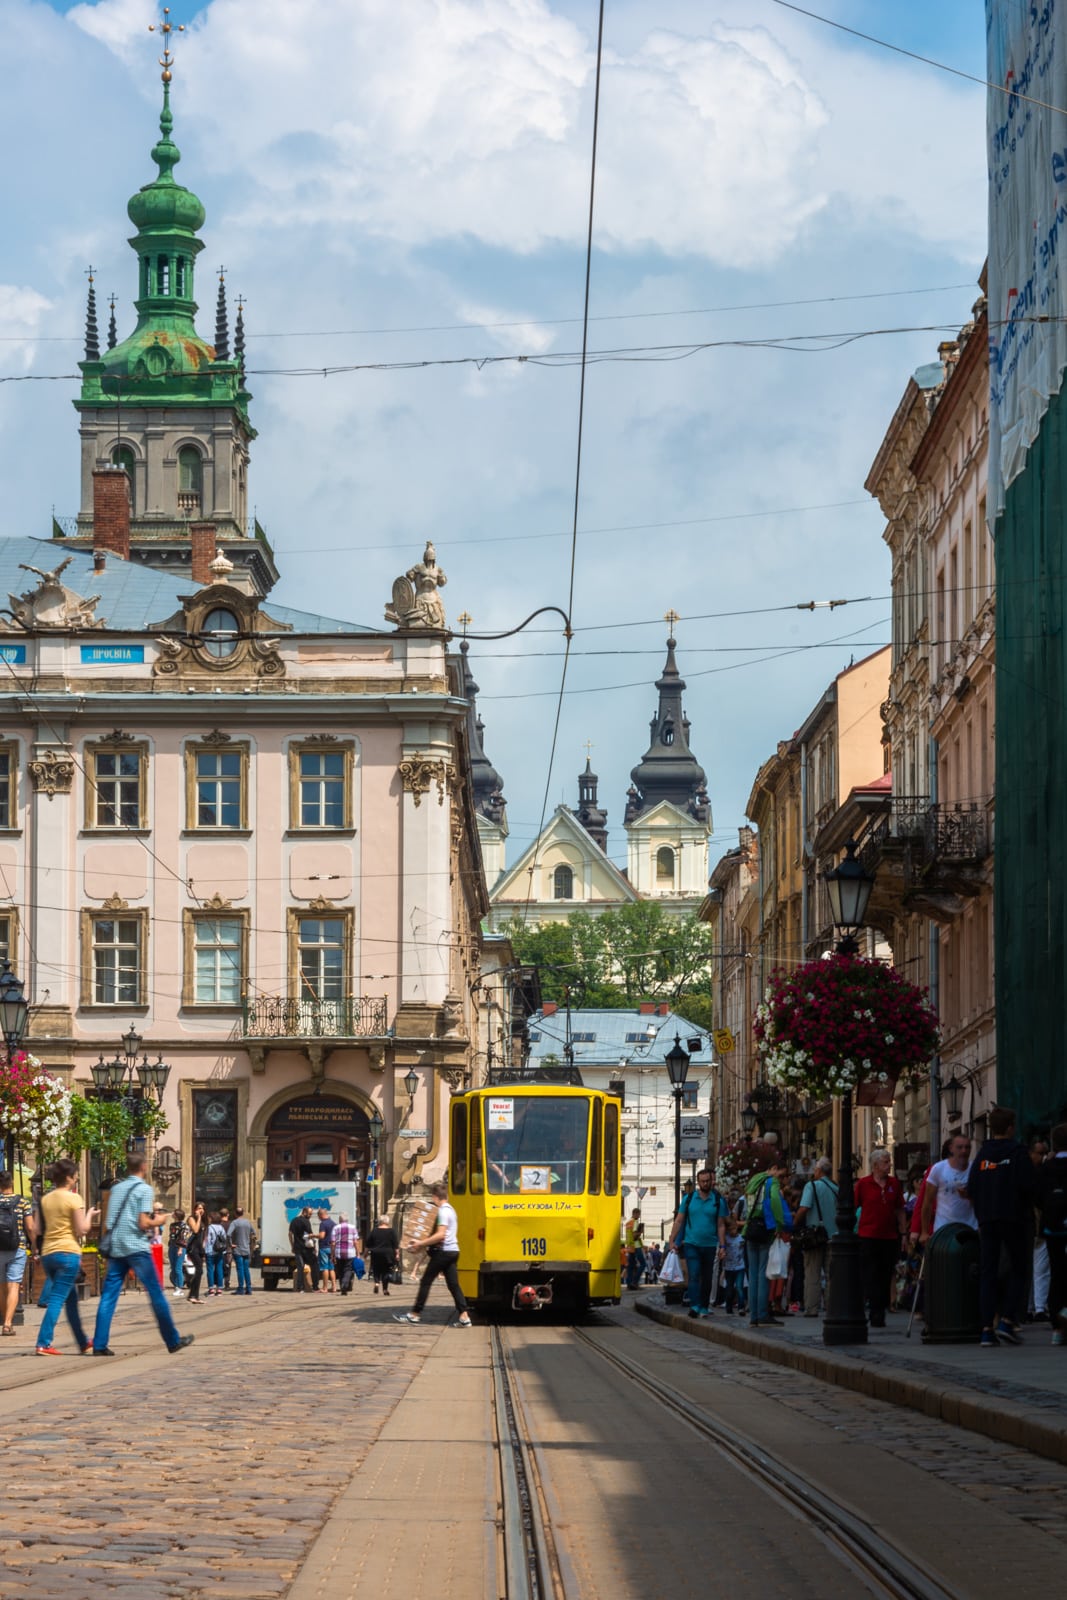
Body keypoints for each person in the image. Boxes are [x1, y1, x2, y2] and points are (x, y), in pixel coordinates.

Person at [92, 1154, 194, 1357]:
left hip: (116, 1247)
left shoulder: (117, 1188)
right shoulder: (144, 1189)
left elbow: (109, 1221)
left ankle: (99, 1343)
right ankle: (172, 1340)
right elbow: (143, 1223)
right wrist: (160, 1220)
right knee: (156, 1293)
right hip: (136, 1248)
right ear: (144, 1167)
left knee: (109, 1296)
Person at [968, 1106, 1037, 1347]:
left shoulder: (982, 1155)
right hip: (1014, 1218)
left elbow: (972, 1186)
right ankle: (1007, 1319)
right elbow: (1029, 1185)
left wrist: (981, 1211)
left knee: (988, 1272)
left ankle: (986, 1328)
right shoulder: (1017, 1152)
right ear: (1010, 1128)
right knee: (1019, 1268)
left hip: (987, 1219)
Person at [35, 1158, 98, 1355]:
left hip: (48, 1254)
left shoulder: (45, 1199)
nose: (77, 1178)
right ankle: (43, 1343)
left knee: (70, 1299)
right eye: (76, 1175)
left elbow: (36, 1229)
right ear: (69, 1178)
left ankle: (83, 1342)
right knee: (57, 1299)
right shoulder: (73, 1198)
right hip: (67, 1253)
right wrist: (89, 1215)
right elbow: (82, 1230)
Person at [393, 1181, 472, 1326]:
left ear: (435, 1197)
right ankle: (464, 1316)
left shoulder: (442, 1211)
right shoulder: (451, 1210)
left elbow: (441, 1234)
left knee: (425, 1281)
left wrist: (421, 1243)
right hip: (453, 1250)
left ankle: (415, 1314)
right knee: (453, 1284)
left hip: (443, 1252)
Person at [855, 1148, 907, 1328]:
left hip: (889, 1236)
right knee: (870, 1274)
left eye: (889, 1161)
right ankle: (874, 1309)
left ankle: (880, 1309)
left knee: (885, 1275)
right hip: (868, 1236)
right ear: (876, 1165)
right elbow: (853, 1207)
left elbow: (900, 1209)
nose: (889, 1164)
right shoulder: (863, 1184)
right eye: (886, 1162)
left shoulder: (894, 1184)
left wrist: (904, 1232)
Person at [667, 1168, 727, 1319]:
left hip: (709, 1244)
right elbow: (679, 1220)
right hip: (691, 1243)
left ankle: (704, 1306)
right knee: (694, 1274)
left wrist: (722, 1245)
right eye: (702, 1181)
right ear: (698, 1182)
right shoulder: (689, 1199)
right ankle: (694, 1305)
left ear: (711, 1181)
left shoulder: (718, 1200)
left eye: (708, 1181)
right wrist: (672, 1239)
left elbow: (721, 1225)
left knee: (707, 1277)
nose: (705, 1184)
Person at [743, 1159, 792, 1328]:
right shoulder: (772, 1182)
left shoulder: (754, 1181)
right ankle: (763, 1314)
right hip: (765, 1229)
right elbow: (776, 1203)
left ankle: (753, 1315)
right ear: (774, 1168)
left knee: (753, 1274)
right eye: (782, 1174)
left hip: (751, 1229)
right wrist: (779, 1224)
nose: (782, 1177)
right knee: (763, 1273)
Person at [794, 1156, 838, 1317]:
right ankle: (831, 1306)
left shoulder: (811, 1186)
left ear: (818, 1171)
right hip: (833, 1235)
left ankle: (811, 1308)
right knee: (831, 1273)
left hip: (814, 1235)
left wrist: (794, 1222)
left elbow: (804, 1208)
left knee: (812, 1273)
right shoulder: (836, 1187)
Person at [1037, 1123, 1067, 1347]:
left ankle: (1057, 1326)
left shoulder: (1046, 1168)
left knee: (1056, 1273)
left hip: (1052, 1228)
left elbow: (1037, 1196)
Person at [0, 1169, 36, 1338]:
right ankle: (8, 1324)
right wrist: (34, 1245)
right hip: (17, 1247)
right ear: (12, 1183)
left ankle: (4, 1319)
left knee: (1, 1287)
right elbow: (30, 1227)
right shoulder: (22, 1202)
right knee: (13, 1285)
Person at [919, 1134, 975, 1240]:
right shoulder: (938, 1169)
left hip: (970, 1229)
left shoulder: (975, 1169)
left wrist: (969, 1195)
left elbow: (983, 1201)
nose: (964, 1151)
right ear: (951, 1149)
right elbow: (927, 1203)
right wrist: (924, 1232)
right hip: (944, 1229)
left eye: (967, 1147)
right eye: (960, 1147)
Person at [1029, 1135, 1051, 1321]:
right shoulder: (1037, 1173)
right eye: (1040, 1153)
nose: (1043, 1157)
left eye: (1045, 1153)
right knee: (1040, 1268)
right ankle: (1038, 1306)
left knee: (1037, 1268)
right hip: (1035, 1227)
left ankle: (1034, 1306)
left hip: (1036, 1227)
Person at [366, 1214, 399, 1296]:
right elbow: (395, 1245)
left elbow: (368, 1243)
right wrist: (397, 1254)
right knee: (386, 1271)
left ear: (380, 1222)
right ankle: (385, 1289)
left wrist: (365, 1254)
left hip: (376, 1253)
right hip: (388, 1254)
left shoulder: (374, 1231)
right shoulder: (392, 1231)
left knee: (376, 1269)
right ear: (387, 1222)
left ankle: (377, 1283)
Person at [226, 1205, 255, 1295]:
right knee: (246, 1269)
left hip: (238, 1249)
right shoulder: (248, 1222)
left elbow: (228, 1234)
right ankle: (249, 1288)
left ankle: (240, 1288)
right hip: (246, 1249)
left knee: (240, 1269)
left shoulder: (234, 1223)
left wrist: (231, 1244)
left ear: (235, 1214)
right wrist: (250, 1243)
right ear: (243, 1213)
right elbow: (253, 1233)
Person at [289, 1205, 319, 1292]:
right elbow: (311, 1235)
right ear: (304, 1212)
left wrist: (292, 1246)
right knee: (314, 1265)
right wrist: (315, 1246)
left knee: (300, 1267)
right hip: (307, 1249)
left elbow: (290, 1234)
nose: (310, 1216)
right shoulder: (306, 1222)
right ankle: (315, 1286)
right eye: (309, 1214)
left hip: (297, 1248)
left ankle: (300, 1287)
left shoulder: (294, 1221)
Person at [721, 1216, 747, 1315]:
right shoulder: (725, 1240)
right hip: (729, 1268)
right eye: (730, 1229)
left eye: (734, 1228)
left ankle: (741, 1307)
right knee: (729, 1288)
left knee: (739, 1287)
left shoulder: (741, 1239)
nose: (733, 1231)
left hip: (740, 1267)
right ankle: (729, 1306)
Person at [331, 1213, 360, 1293]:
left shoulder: (335, 1228)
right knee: (348, 1269)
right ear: (347, 1220)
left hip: (339, 1252)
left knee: (340, 1270)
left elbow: (333, 1243)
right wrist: (358, 1253)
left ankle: (342, 1287)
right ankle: (345, 1284)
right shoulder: (353, 1227)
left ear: (340, 1220)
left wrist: (332, 1255)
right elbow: (355, 1242)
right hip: (350, 1253)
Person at [184, 1201, 206, 1304]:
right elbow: (196, 1230)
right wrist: (199, 1218)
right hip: (193, 1249)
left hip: (199, 1248)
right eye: (198, 1208)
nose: (200, 1210)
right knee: (199, 1271)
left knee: (199, 1271)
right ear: (194, 1209)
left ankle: (194, 1295)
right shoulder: (191, 1219)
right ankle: (193, 1295)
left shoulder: (202, 1221)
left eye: (202, 1208)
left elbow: (203, 1235)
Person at [205, 1212, 228, 1297]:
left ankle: (211, 1289)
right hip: (220, 1251)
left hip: (210, 1251)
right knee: (219, 1269)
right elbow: (224, 1239)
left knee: (210, 1270)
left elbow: (208, 1240)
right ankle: (219, 1289)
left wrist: (205, 1251)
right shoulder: (221, 1227)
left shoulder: (210, 1227)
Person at [167, 1208, 188, 1297]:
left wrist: (180, 1249)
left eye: (174, 1213)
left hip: (179, 1248)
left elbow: (183, 1238)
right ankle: (176, 1286)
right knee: (173, 1268)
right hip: (172, 1247)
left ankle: (180, 1287)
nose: (172, 1214)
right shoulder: (172, 1225)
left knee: (178, 1268)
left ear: (177, 1215)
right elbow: (172, 1236)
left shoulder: (184, 1226)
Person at [624, 1209, 646, 1291]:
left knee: (630, 1266)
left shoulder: (628, 1223)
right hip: (636, 1246)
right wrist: (640, 1232)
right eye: (639, 1214)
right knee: (643, 1264)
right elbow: (634, 1236)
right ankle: (635, 1282)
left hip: (630, 1246)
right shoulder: (635, 1222)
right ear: (635, 1214)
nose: (639, 1216)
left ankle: (629, 1284)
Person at [317, 1208, 337, 1293]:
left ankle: (325, 1287)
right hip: (332, 1248)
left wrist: (313, 1236)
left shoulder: (323, 1224)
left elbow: (322, 1236)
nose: (319, 1219)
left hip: (324, 1247)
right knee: (331, 1268)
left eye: (319, 1217)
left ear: (321, 1215)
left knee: (325, 1268)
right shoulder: (333, 1223)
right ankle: (334, 1287)